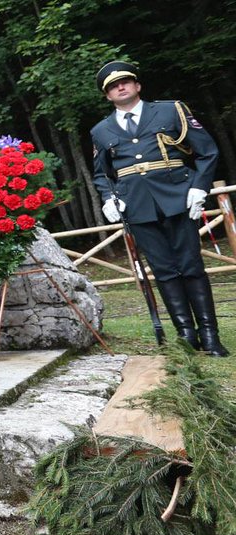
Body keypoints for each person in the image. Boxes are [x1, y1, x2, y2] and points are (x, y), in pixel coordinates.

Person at [91, 61, 227, 357]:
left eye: (125, 81)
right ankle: (185, 335)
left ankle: (210, 335)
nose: (120, 87)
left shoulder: (169, 111)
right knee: (164, 271)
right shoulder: (100, 130)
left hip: (178, 197)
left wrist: (199, 187)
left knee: (191, 266)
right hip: (137, 206)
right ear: (107, 95)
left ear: (137, 85)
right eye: (113, 86)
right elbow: (102, 174)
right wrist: (109, 198)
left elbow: (207, 151)